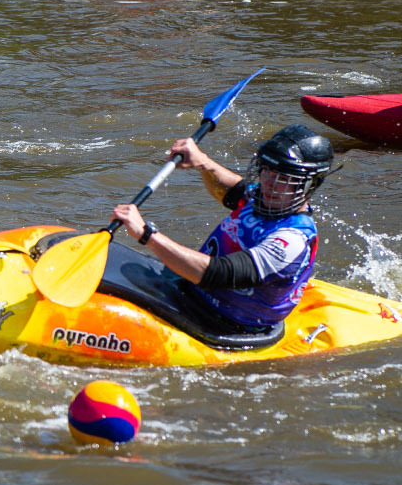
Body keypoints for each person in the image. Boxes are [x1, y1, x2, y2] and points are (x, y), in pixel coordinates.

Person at [110, 125, 334, 332]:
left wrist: (146, 234)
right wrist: (202, 161)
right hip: (191, 293)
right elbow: (233, 191)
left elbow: (217, 274)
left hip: (223, 324)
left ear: (309, 185)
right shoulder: (266, 198)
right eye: (266, 170)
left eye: (283, 178)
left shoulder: (291, 241)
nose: (268, 182)